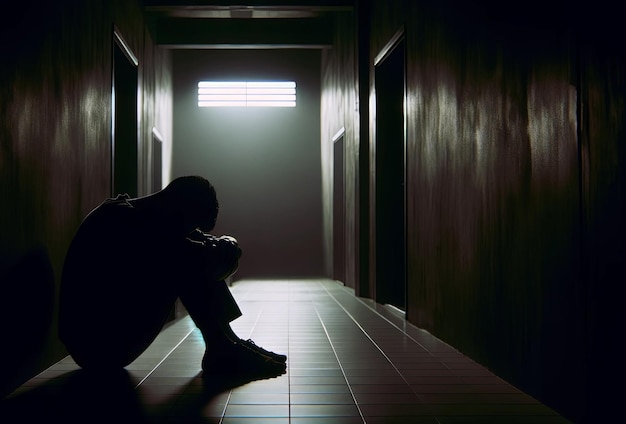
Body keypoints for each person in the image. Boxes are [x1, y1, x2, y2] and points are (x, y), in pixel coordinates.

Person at [58, 175, 286, 377]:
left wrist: (222, 246)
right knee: (187, 257)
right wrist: (223, 247)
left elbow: (213, 249)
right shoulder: (123, 220)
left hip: (108, 336)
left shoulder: (150, 216)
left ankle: (230, 342)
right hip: (97, 348)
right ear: (178, 207)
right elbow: (211, 255)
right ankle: (222, 349)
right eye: (191, 223)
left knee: (190, 253)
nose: (192, 231)